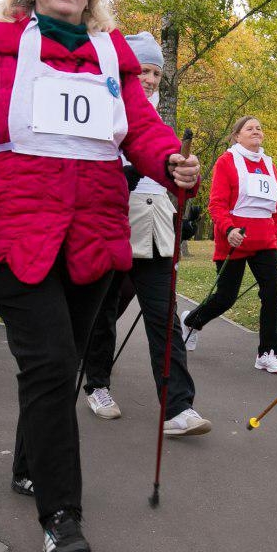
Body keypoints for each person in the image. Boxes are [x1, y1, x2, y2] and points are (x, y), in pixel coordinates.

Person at [0, 0, 200, 552]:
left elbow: (144, 130)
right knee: (51, 364)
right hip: (14, 238)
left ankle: (28, 464)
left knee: (63, 365)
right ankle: (61, 517)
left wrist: (171, 163)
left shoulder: (112, 59)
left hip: (94, 239)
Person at [79, 31, 209, 436]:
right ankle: (96, 383)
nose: (149, 79)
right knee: (103, 311)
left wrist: (186, 180)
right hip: (111, 225)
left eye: (155, 72)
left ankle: (178, 408)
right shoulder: (104, 106)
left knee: (163, 317)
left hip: (153, 229)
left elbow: (174, 175)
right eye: (142, 70)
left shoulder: (159, 121)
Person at [178, 115, 277, 374]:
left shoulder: (270, 165)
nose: (256, 131)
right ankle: (192, 320)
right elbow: (216, 204)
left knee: (272, 293)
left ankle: (267, 353)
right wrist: (228, 230)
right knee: (226, 298)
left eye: (259, 128)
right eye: (249, 128)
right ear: (237, 135)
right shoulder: (227, 161)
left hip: (265, 242)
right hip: (235, 240)